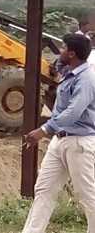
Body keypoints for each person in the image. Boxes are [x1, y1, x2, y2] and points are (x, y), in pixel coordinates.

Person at [22, 33, 95, 233]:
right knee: (44, 189)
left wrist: (44, 129)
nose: (60, 51)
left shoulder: (85, 80)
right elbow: (58, 65)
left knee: (87, 194)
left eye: (63, 48)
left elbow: (74, 112)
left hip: (78, 143)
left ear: (72, 54)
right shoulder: (70, 70)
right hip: (60, 141)